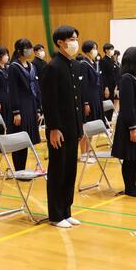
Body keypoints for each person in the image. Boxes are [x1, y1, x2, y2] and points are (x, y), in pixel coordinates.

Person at [41, 25, 84, 228]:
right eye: (71, 39)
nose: (75, 42)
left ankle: (67, 210)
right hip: (59, 128)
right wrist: (54, 128)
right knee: (58, 170)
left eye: (76, 38)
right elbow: (50, 102)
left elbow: (76, 100)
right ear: (60, 42)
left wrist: (79, 128)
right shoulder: (53, 67)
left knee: (70, 170)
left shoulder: (74, 65)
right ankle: (56, 215)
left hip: (72, 127)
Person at [111, 47, 136, 197]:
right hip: (131, 122)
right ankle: (129, 187)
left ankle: (134, 185)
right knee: (130, 156)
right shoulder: (127, 78)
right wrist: (132, 127)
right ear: (134, 59)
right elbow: (127, 106)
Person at [8, 38, 41, 171]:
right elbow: (13, 90)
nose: (29, 50)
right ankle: (19, 170)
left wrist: (38, 108)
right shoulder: (14, 67)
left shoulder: (32, 66)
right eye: (27, 48)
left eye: (30, 47)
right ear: (19, 50)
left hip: (31, 105)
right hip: (20, 106)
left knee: (27, 138)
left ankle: (23, 169)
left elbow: (36, 88)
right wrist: (16, 112)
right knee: (19, 139)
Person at [100, 43, 117, 120]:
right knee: (107, 103)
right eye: (111, 49)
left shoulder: (111, 60)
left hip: (112, 85)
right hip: (107, 86)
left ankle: (109, 120)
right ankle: (106, 120)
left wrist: (115, 86)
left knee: (112, 103)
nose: (113, 51)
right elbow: (103, 75)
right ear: (106, 50)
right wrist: (106, 87)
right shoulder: (103, 60)